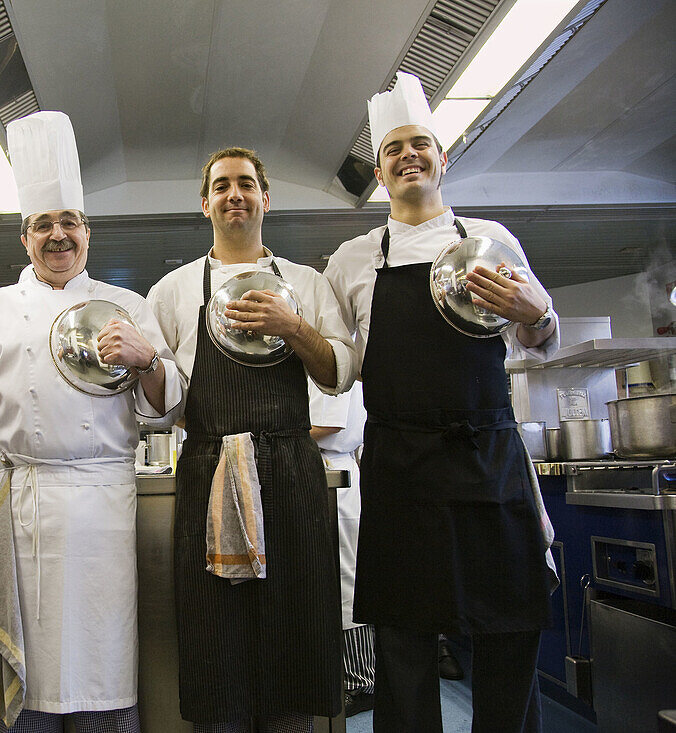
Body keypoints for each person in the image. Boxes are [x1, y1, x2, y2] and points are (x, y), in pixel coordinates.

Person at [323, 72, 560, 733]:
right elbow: (338, 367)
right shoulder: (353, 260)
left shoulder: (490, 239)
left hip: (488, 455)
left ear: (442, 157)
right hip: (401, 469)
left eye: (419, 144)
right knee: (403, 644)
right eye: (393, 149)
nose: (407, 156)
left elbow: (540, 339)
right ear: (379, 170)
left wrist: (538, 311)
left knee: (509, 629)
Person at [0, 111, 184, 733]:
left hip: (105, 500)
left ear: (87, 233)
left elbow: (172, 403)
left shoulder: (127, 305)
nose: (58, 235)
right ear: (24, 238)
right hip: (21, 501)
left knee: (103, 647)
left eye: (69, 223)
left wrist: (145, 357)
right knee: (29, 650)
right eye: (43, 224)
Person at [147, 147, 357, 731]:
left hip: (289, 469)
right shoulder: (172, 291)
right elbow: (161, 401)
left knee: (290, 623)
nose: (233, 194)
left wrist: (293, 327)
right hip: (209, 469)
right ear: (205, 203)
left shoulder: (308, 285)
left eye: (245, 184)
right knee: (215, 628)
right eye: (221, 186)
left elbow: (338, 372)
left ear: (266, 197)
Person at [308, 380, 375, 718]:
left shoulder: (328, 355)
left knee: (346, 580)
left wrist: (275, 440)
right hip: (320, 470)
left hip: (335, 475)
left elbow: (328, 423)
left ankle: (362, 681)